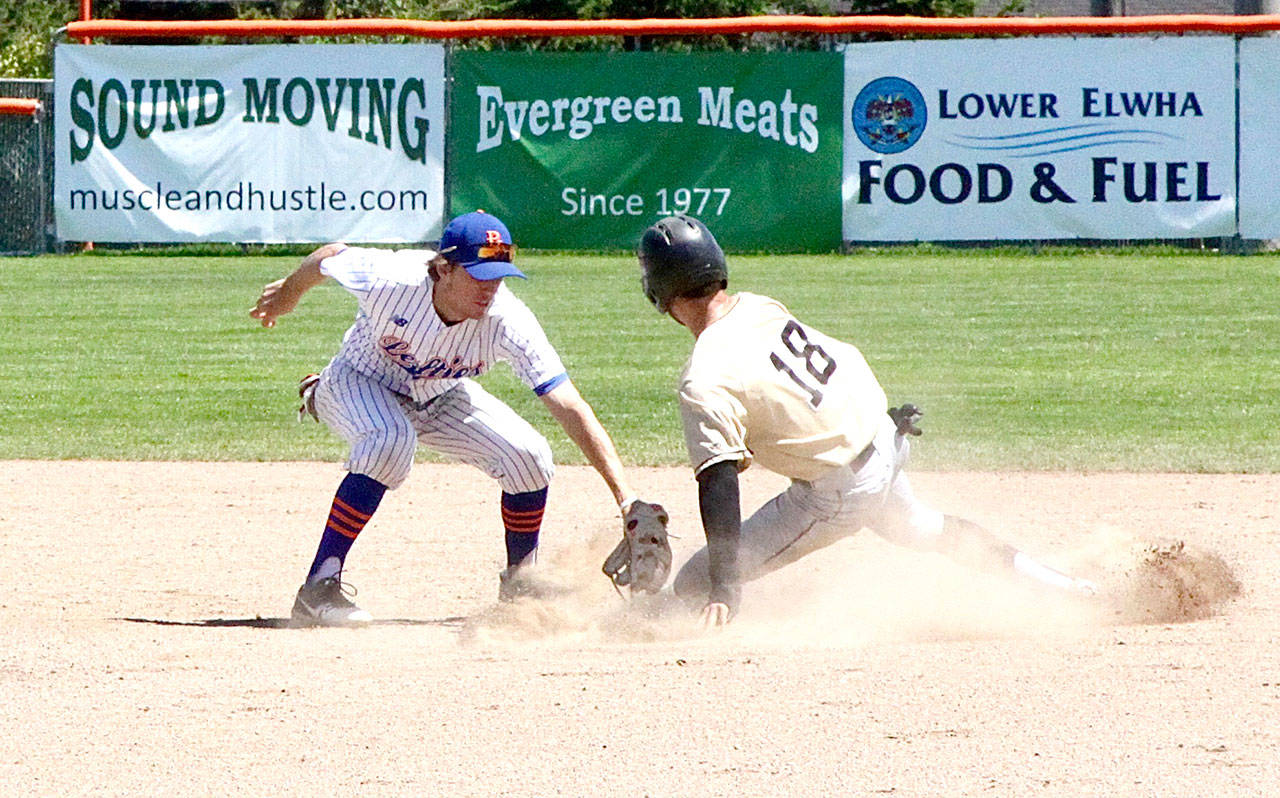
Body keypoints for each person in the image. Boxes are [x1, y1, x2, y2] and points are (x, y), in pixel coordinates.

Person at [635, 214, 1098, 627]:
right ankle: (1068, 591)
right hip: (886, 435)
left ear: (660, 290)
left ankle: (648, 629)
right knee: (925, 529)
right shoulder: (758, 306)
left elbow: (718, 483)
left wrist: (725, 585)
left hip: (840, 492)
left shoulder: (704, 377)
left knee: (694, 582)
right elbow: (832, 365)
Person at [251, 210, 651, 626]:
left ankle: (521, 588)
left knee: (529, 458)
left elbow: (569, 404)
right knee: (390, 441)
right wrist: (290, 294)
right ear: (444, 268)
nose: (491, 288)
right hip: (358, 381)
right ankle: (318, 586)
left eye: (499, 275)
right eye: (480, 275)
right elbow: (329, 256)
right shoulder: (393, 278)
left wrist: (626, 499)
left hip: (440, 395)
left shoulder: (507, 321)